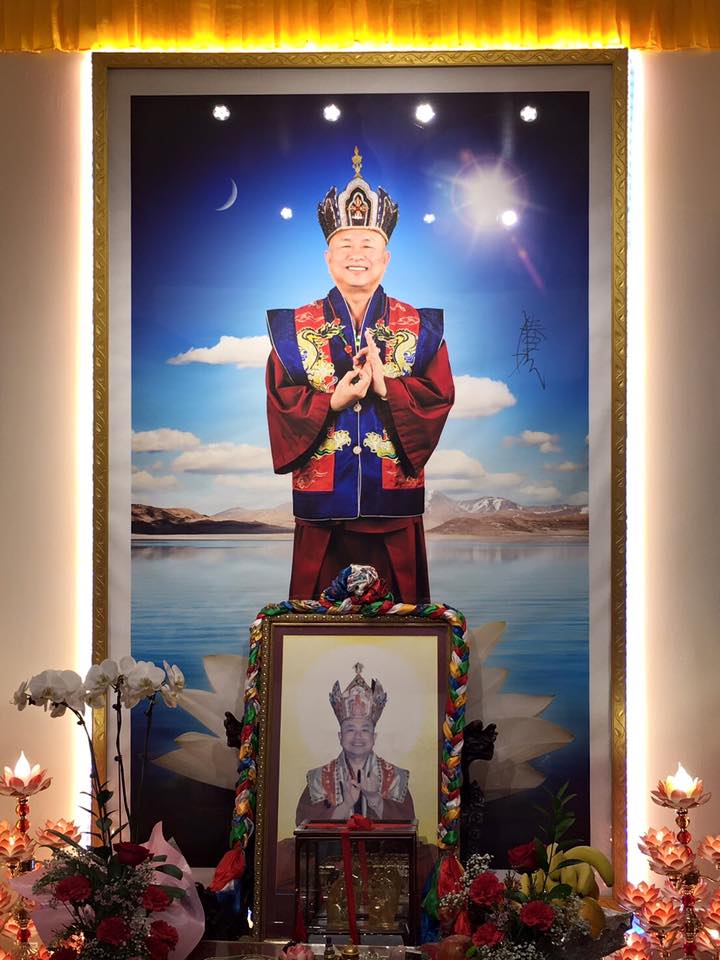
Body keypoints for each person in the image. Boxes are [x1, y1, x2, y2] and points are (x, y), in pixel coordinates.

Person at [266, 147, 454, 603]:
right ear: (328, 258)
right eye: (345, 246)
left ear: (385, 258)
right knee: (313, 622)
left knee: (403, 622)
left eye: (367, 246)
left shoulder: (420, 328)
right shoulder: (294, 329)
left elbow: (438, 396)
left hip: (394, 506)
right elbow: (280, 399)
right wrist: (330, 402)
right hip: (322, 512)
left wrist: (387, 387)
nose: (356, 255)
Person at [295, 663, 415, 824]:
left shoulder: (395, 778)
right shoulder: (319, 779)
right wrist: (345, 806)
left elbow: (407, 824)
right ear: (340, 736)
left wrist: (375, 799)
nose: (358, 736)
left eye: (365, 730)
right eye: (350, 729)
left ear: (374, 737)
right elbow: (304, 825)